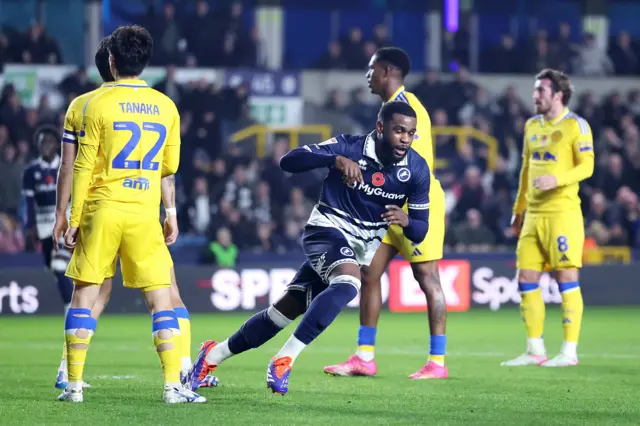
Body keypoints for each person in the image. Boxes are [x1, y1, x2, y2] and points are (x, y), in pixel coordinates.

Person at [185, 101, 431, 395]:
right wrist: (334, 159)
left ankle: (211, 355)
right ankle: (284, 359)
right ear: (380, 128)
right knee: (349, 282)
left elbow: (420, 230)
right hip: (326, 230)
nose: (405, 138)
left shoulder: (416, 170)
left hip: (358, 248)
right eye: (399, 130)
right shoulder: (348, 147)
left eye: (411, 133)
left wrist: (405, 220)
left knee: (281, 314)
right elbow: (289, 161)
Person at [51, 35, 215, 391]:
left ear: (110, 62)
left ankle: (70, 376)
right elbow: (167, 168)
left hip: (99, 209)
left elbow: (72, 165)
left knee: (92, 292)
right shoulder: (164, 104)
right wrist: (170, 211)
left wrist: (65, 215)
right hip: (142, 210)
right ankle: (179, 378)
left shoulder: (85, 105)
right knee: (165, 294)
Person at [324, 46, 448, 379]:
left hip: (415, 208)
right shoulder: (387, 111)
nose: (367, 75)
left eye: (371, 68)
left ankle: (437, 362)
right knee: (368, 273)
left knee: (427, 279)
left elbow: (415, 170)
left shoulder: (410, 111)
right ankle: (364, 357)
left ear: (387, 71)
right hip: (387, 208)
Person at [501, 68, 593, 367]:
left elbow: (587, 167)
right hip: (533, 216)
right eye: (535, 89)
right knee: (526, 278)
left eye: (541, 90)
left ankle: (569, 352)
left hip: (562, 214)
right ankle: (535, 349)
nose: (535, 95)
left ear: (558, 95)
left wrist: (558, 180)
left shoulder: (576, 126)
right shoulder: (531, 126)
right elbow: (526, 172)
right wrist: (518, 210)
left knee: (566, 278)